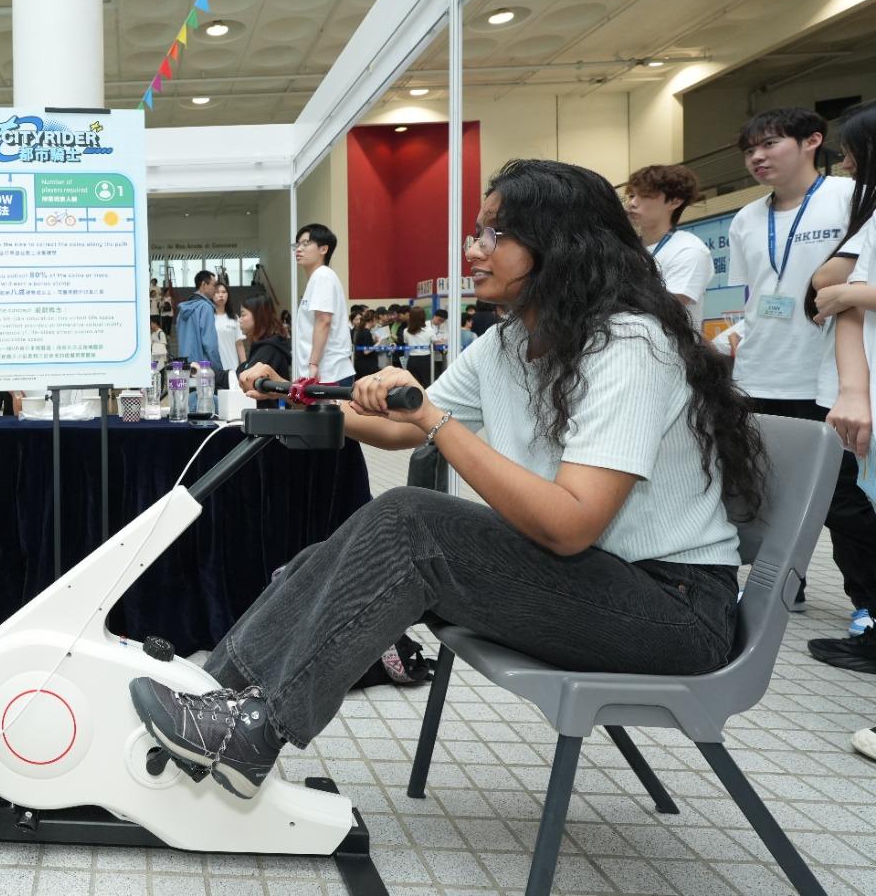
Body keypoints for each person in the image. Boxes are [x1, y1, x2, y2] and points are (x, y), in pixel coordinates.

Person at [130, 159, 763, 801]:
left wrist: (433, 420)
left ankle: (250, 731)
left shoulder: (628, 345)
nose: (473, 250)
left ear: (557, 245)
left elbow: (569, 524)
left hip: (672, 610)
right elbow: (403, 426)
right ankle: (218, 697)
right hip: (594, 580)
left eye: (494, 235)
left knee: (410, 523)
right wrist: (300, 401)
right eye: (477, 234)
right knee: (329, 558)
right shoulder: (513, 340)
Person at [729, 107, 865, 614]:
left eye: (769, 144)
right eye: (749, 150)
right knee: (764, 493)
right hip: (760, 373)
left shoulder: (847, 199)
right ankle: (784, 585)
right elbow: (757, 297)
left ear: (812, 141)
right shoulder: (746, 218)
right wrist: (737, 340)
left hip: (828, 378)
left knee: (844, 500)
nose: (758, 157)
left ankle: (867, 605)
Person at [802, 99, 876, 667]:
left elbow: (836, 289)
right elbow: (830, 293)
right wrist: (854, 390)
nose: (846, 165)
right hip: (861, 395)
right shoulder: (870, 216)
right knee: (850, 502)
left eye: (852, 154)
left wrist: (849, 292)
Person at [626, 164, 714, 330]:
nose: (632, 203)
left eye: (645, 195)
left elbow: (669, 308)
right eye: (631, 195)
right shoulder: (624, 248)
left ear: (675, 201)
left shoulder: (688, 249)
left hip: (670, 350)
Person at [292, 224, 352, 386]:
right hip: (324, 372)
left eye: (305, 243)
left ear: (323, 249)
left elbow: (324, 320)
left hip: (329, 373)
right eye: (297, 244)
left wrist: (313, 365)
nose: (299, 249)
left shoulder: (322, 276)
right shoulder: (317, 278)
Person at [234, 293, 290, 410]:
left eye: (243, 314)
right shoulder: (263, 346)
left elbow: (246, 379)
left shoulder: (269, 349)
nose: (239, 320)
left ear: (258, 316)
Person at [174, 269, 219, 373]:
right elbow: (210, 344)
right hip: (203, 369)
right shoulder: (205, 307)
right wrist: (218, 368)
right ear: (204, 284)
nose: (215, 289)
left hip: (185, 367)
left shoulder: (182, 310)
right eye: (214, 285)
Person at [397, 306, 435, 387]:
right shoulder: (429, 330)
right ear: (423, 317)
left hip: (412, 359)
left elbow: (406, 342)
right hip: (425, 359)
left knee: (413, 385)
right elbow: (435, 341)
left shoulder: (406, 331)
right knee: (427, 383)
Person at [212, 282, 244, 372]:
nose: (221, 295)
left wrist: (245, 366)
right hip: (214, 368)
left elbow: (239, 344)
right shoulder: (208, 318)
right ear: (212, 295)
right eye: (217, 292)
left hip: (233, 368)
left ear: (228, 295)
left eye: (224, 292)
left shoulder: (234, 318)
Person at [352, 309, 380, 378]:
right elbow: (366, 351)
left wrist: (374, 341)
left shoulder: (361, 331)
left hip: (361, 366)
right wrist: (378, 343)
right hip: (366, 367)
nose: (377, 323)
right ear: (373, 320)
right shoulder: (366, 333)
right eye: (376, 320)